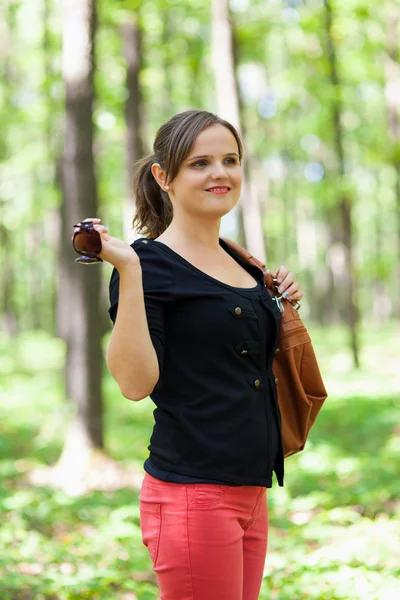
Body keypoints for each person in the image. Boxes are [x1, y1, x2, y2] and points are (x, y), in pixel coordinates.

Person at [76, 109, 303, 600]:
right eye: (200, 163)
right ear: (165, 177)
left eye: (230, 160)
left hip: (251, 488)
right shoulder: (148, 265)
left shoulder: (242, 260)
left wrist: (278, 298)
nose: (219, 173)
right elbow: (135, 385)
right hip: (192, 493)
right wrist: (130, 272)